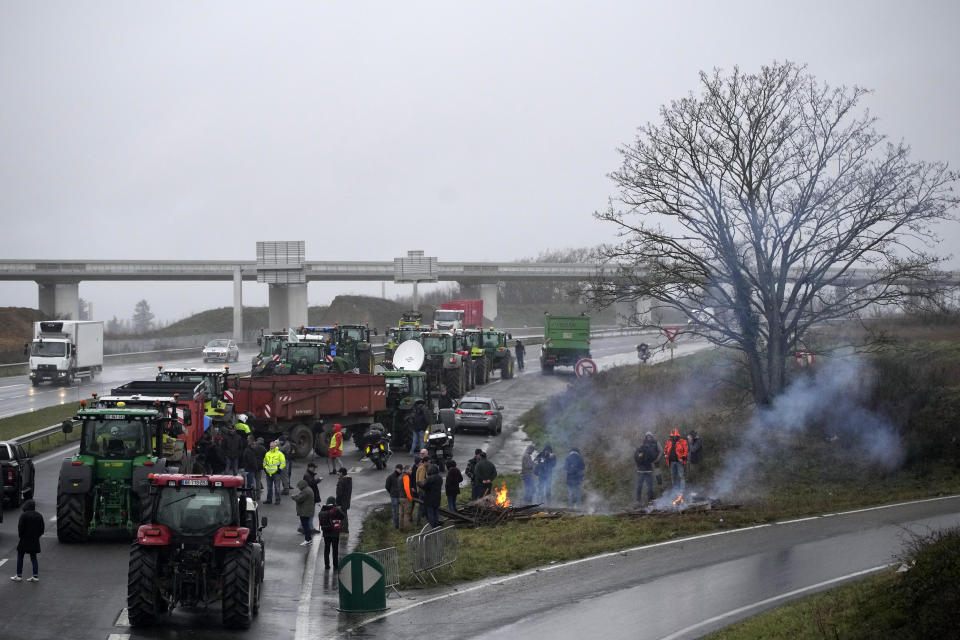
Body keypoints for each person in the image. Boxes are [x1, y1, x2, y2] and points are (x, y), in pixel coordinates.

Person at [11, 499, 44, 582]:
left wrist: (21, 536)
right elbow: (42, 529)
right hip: (34, 540)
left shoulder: (24, 515)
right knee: (33, 558)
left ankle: (19, 576)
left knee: (20, 557)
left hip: (24, 539)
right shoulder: (39, 515)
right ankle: (35, 576)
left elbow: (20, 527)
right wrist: (36, 536)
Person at [634, 431, 661, 505]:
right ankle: (650, 501)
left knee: (639, 486)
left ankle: (638, 501)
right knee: (649, 486)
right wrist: (655, 461)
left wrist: (638, 465)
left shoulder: (639, 450)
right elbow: (653, 458)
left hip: (640, 471)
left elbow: (636, 458)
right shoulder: (650, 450)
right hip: (648, 470)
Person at [318, 497, 345, 570]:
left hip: (326, 532)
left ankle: (327, 565)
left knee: (326, 549)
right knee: (335, 549)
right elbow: (343, 517)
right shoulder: (335, 509)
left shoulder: (323, 509)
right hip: (335, 532)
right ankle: (335, 565)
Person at [663, 428, 689, 494]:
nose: (674, 437)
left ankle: (682, 491)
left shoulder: (683, 441)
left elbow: (686, 451)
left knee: (681, 476)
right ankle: (675, 491)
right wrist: (665, 454)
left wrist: (682, 458)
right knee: (673, 476)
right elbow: (665, 449)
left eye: (676, 436)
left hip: (679, 462)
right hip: (671, 462)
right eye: (673, 436)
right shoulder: (669, 441)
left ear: (678, 436)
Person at [293, 479, 315, 546]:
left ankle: (308, 540)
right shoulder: (308, 489)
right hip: (308, 511)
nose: (299, 488)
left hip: (305, 511)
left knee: (305, 526)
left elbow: (299, 499)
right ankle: (309, 540)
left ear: (302, 485)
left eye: (299, 487)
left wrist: (294, 497)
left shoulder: (305, 491)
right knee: (306, 525)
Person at [263, 440, 286, 505]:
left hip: (276, 473)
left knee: (277, 487)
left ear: (275, 446)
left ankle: (277, 500)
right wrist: (265, 468)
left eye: (272, 446)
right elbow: (264, 462)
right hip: (268, 473)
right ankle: (269, 500)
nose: (271, 447)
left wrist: (279, 470)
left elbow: (283, 463)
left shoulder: (279, 454)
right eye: (270, 446)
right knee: (269, 487)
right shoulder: (267, 453)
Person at [414, 449, 430, 525]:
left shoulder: (421, 467)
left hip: (421, 490)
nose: (429, 463)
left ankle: (425, 519)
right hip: (422, 490)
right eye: (429, 462)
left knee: (424, 505)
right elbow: (421, 480)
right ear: (425, 462)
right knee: (422, 506)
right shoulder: (422, 468)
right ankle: (419, 521)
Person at [385, 464, 403, 529]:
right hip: (394, 496)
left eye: (401, 469)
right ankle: (397, 525)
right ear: (396, 469)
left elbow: (387, 487)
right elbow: (387, 486)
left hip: (399, 496)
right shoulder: (391, 477)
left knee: (399, 511)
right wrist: (392, 492)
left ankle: (399, 525)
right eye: (400, 469)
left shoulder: (401, 476)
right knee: (396, 512)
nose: (401, 470)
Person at [336, 467, 353, 536]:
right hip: (346, 500)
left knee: (343, 516)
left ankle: (344, 531)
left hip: (342, 501)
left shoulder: (342, 481)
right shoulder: (348, 479)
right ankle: (343, 529)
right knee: (344, 515)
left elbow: (339, 493)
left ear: (341, 473)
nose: (338, 473)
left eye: (339, 472)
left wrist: (337, 502)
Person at [399, 465, 415, 531]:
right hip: (406, 498)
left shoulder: (400, 476)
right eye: (410, 470)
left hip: (401, 497)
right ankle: (407, 529)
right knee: (407, 514)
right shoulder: (406, 476)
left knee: (401, 514)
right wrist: (410, 497)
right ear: (406, 470)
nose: (411, 471)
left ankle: (401, 527)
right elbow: (406, 488)